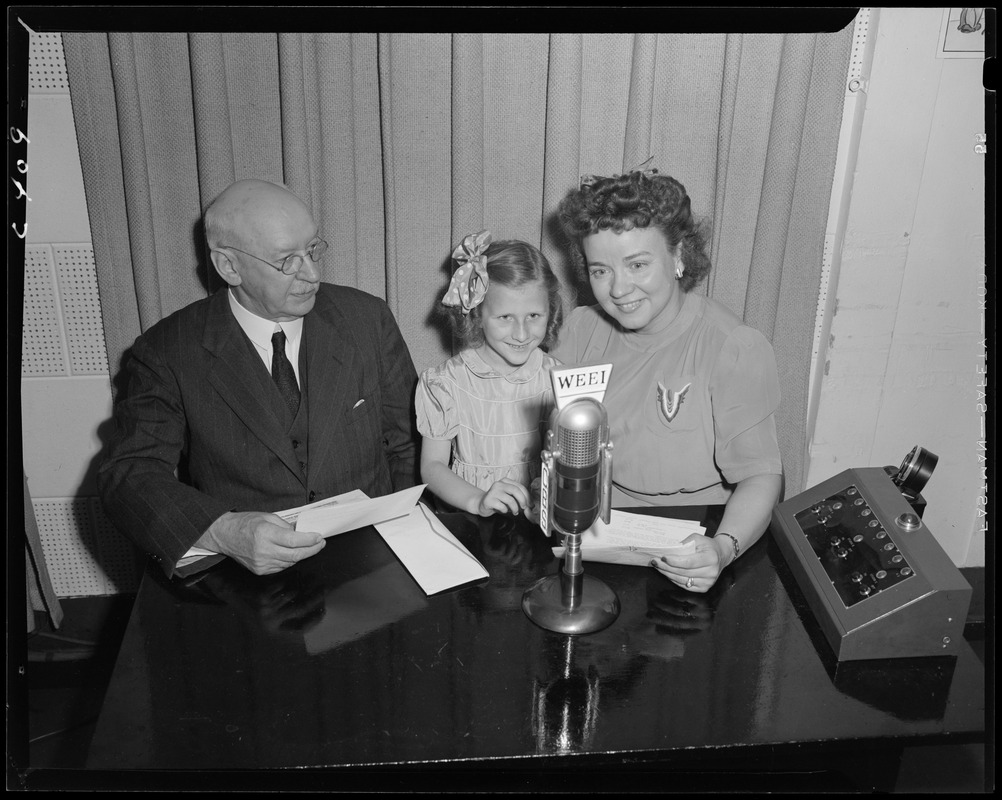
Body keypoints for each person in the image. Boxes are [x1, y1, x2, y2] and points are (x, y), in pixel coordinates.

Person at [98, 179, 419, 578]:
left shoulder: (367, 319)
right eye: (287, 260)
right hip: (242, 572)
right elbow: (130, 473)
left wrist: (412, 536)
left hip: (372, 562)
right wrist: (222, 531)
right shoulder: (167, 351)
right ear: (229, 266)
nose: (313, 274)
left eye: (313, 249)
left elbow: (408, 444)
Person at [552, 167, 783, 593]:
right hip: (595, 529)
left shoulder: (734, 347)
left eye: (637, 264)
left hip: (697, 538)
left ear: (678, 255)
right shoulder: (580, 331)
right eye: (600, 270)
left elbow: (761, 476)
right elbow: (561, 445)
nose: (619, 289)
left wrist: (721, 549)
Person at [416, 231, 564, 518]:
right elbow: (431, 467)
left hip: (538, 522)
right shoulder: (447, 383)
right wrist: (478, 500)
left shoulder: (557, 377)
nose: (521, 334)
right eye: (505, 317)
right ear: (477, 315)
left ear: (551, 311)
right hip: (470, 518)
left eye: (534, 316)